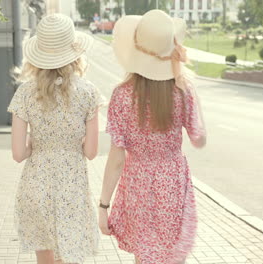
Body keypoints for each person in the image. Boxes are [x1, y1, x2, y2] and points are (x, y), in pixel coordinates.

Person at [98, 10, 206, 264]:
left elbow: (116, 159)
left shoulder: (122, 95)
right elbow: (199, 139)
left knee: (145, 254)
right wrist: (192, 94)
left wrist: (104, 206)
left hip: (138, 183)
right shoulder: (182, 90)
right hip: (173, 181)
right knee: (171, 256)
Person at [7, 14, 103, 264]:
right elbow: (92, 151)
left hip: (36, 185)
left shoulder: (25, 93)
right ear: (75, 52)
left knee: (45, 260)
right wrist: (71, 142)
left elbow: (18, 153)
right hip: (72, 185)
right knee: (70, 257)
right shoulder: (88, 93)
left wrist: (35, 145)